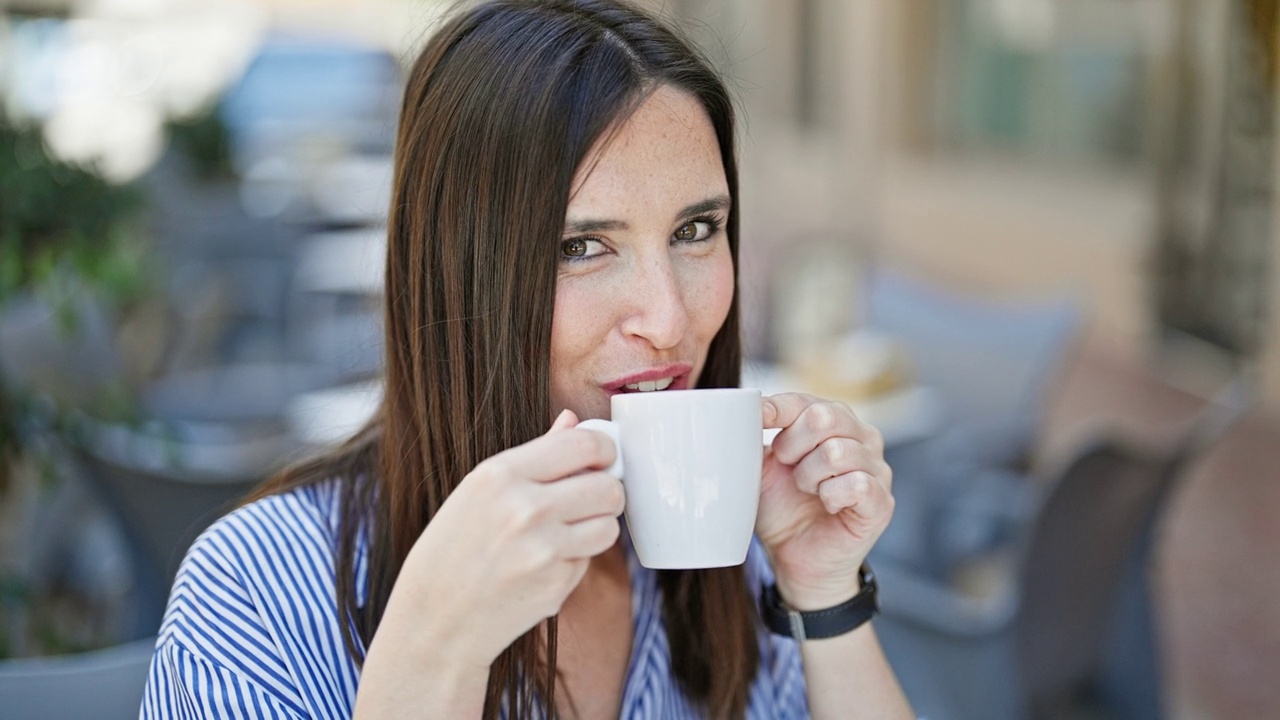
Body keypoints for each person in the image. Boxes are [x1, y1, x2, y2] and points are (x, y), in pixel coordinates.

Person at [141, 1, 913, 718]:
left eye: (696, 231)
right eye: (582, 247)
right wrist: (433, 647)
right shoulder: (261, 592)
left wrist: (823, 594)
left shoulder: (735, 557)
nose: (669, 318)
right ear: (456, 269)